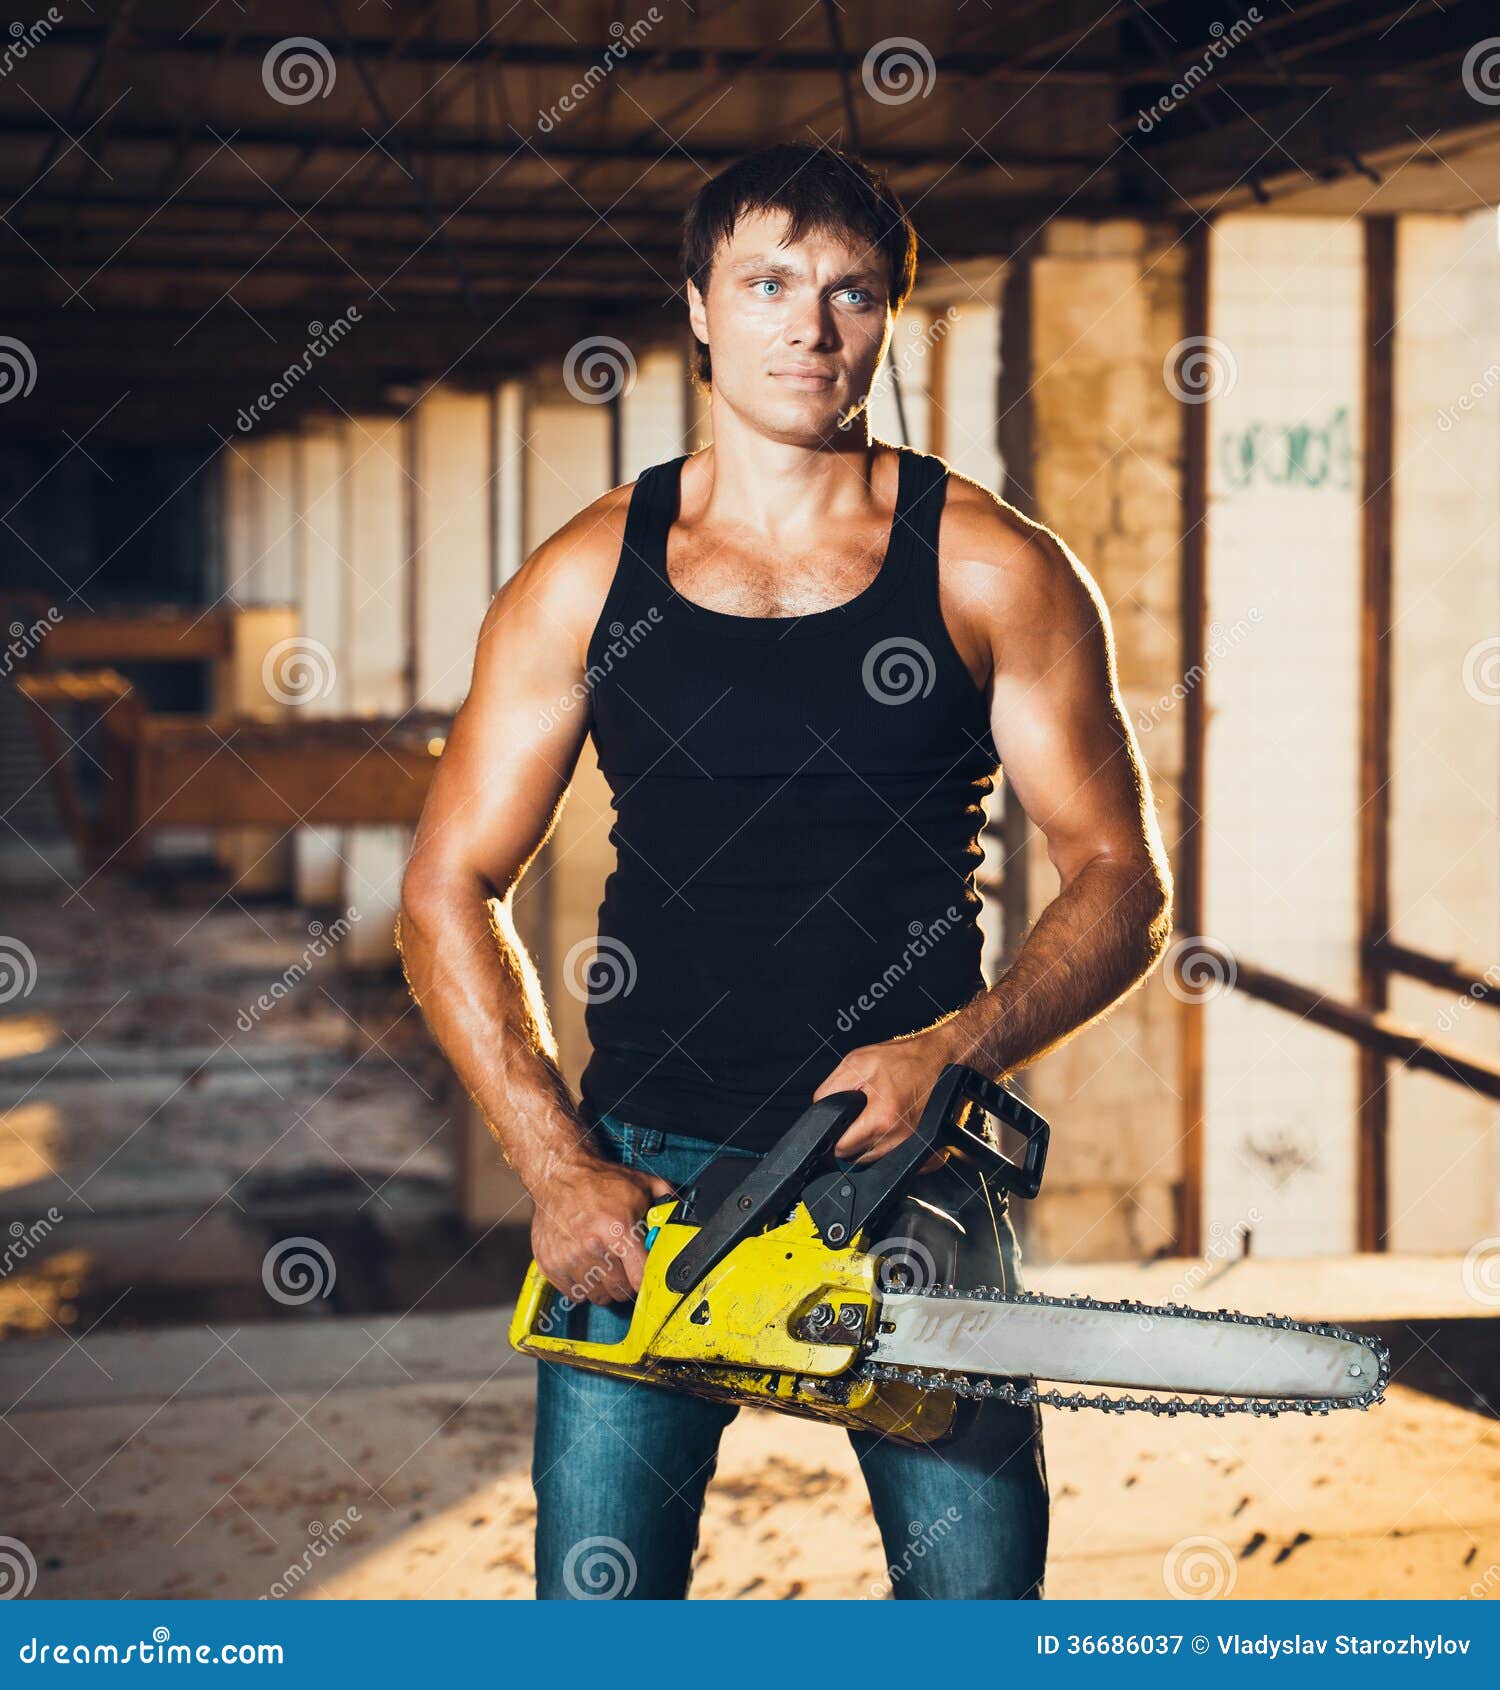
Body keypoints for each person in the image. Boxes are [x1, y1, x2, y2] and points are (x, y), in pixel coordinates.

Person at [398, 141, 1172, 1600]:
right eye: (766, 284)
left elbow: (1123, 878)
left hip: (910, 1172)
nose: (808, 328)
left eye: (850, 292)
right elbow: (444, 884)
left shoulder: (988, 565)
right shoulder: (586, 574)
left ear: (886, 316)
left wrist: (955, 1045)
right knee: (601, 1630)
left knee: (976, 1624)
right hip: (643, 1187)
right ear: (697, 307)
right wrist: (554, 1163)